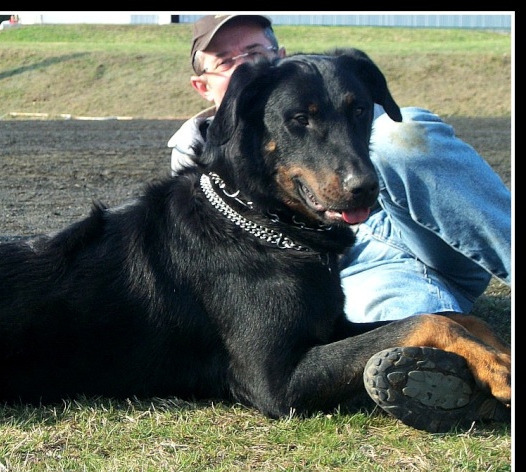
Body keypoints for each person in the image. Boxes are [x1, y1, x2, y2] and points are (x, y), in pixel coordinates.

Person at [168, 15, 512, 323]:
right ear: (203, 85)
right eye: (227, 61)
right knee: (403, 338)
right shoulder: (193, 157)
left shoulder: (334, 86)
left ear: (280, 56)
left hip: (431, 236)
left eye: (256, 52)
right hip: (360, 272)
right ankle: (443, 333)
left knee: (404, 134)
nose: (245, 67)